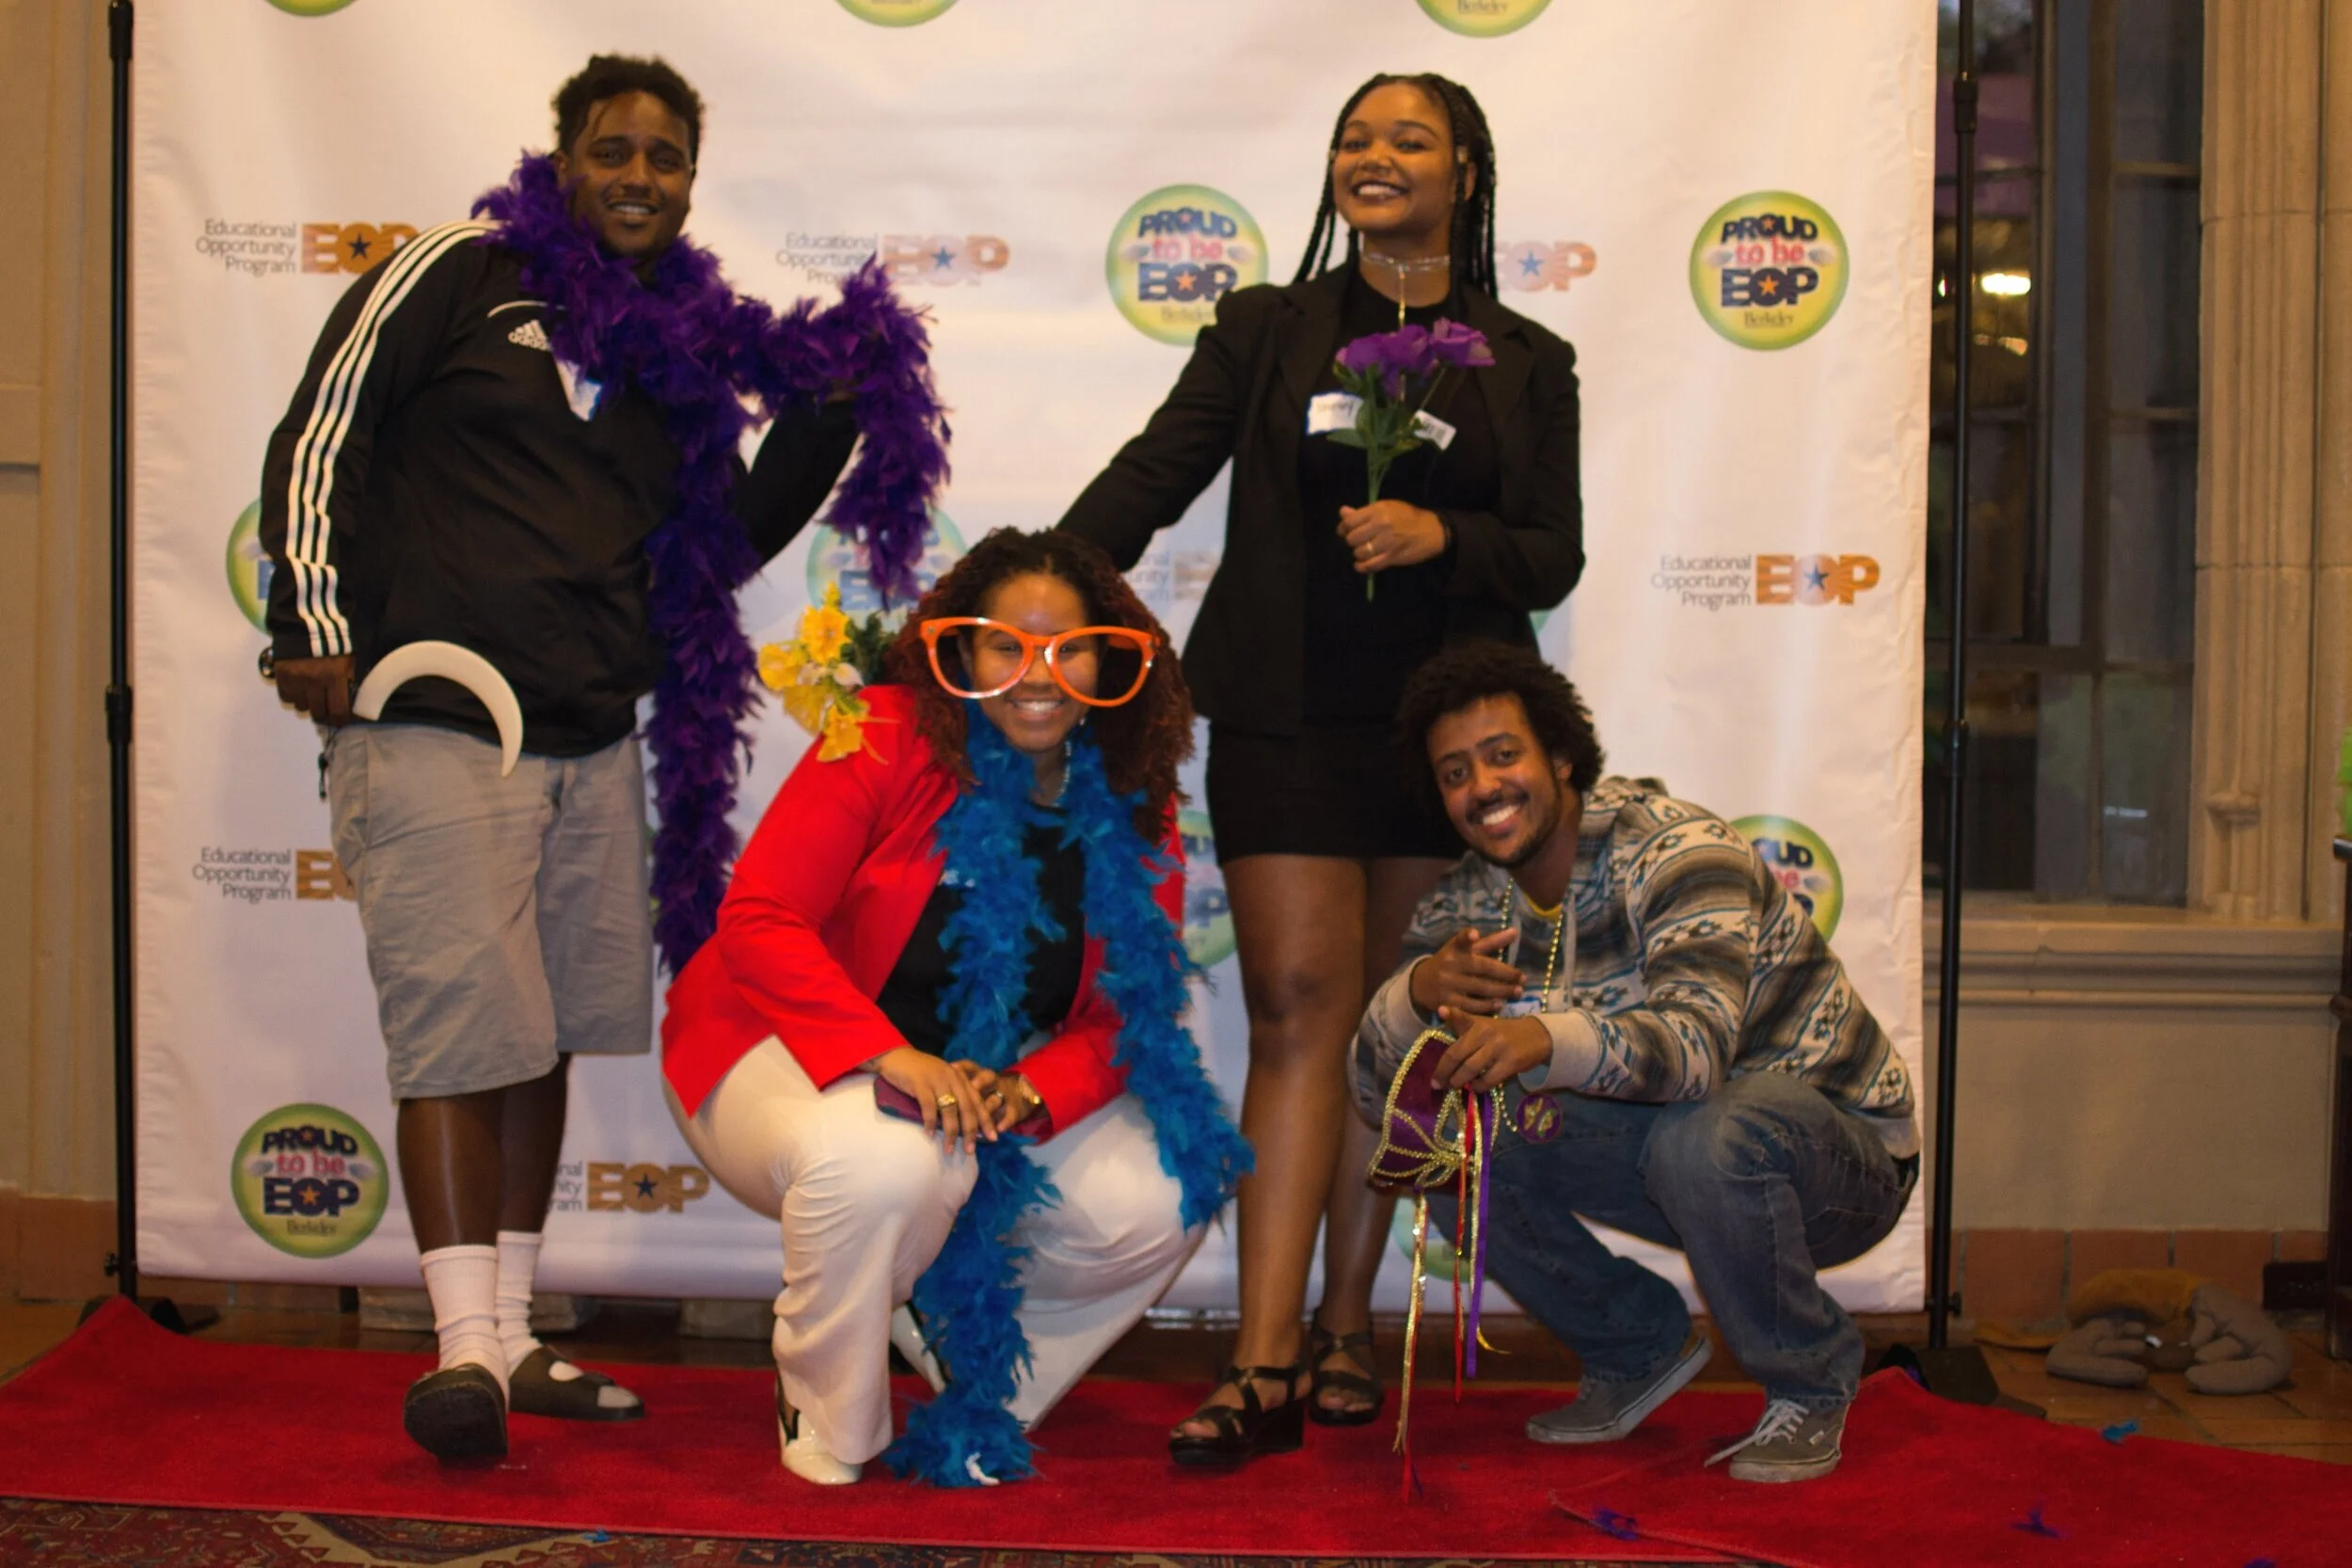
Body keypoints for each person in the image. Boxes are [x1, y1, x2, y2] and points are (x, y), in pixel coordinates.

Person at [256, 55, 904, 1462]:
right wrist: (308, 612)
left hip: (593, 733)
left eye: (666, 158)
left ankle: (515, 1327)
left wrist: (837, 414)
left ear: (688, 182)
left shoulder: (677, 348)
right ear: (562, 160)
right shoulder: (455, 270)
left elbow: (715, 546)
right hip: (436, 706)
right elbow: (323, 430)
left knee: (538, 1026)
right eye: (614, 149)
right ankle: (461, 1346)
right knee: (455, 1029)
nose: (639, 175)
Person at [1057, 71, 1583, 1459]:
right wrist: (1029, 592)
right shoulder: (1268, 328)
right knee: (1296, 1002)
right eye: (1356, 137)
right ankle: (1266, 1347)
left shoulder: (1526, 360)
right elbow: (1153, 473)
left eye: (1410, 138)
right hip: (1284, 715)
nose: (1376, 155)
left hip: (1444, 740)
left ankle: (1350, 1320)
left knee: (1389, 1025)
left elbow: (1552, 551)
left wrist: (1441, 539)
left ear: (1466, 170)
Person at [660, 529, 1251, 1488]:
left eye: (1067, 646)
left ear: (1106, 655)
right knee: (892, 1156)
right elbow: (761, 919)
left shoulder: (1136, 799)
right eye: (1007, 643)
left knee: (1166, 1191)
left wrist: (1026, 1087)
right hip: (775, 1045)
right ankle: (826, 1400)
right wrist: (890, 1056)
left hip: (968, 1082)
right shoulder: (887, 731)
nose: (1038, 671)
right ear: (961, 650)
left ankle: (975, 1379)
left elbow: (1121, 1014)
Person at [1353, 641, 1919, 1484]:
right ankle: (1634, 1349)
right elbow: (1377, 1100)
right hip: (1678, 1154)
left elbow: (1694, 1052)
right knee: (1446, 1135)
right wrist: (1415, 993)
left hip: (1841, 1155)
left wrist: (1546, 1038)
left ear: (1561, 756)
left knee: (1707, 1129)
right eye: (1455, 773)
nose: (1482, 787)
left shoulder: (1677, 848)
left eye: (1503, 754)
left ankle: (1810, 1380)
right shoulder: (1465, 900)